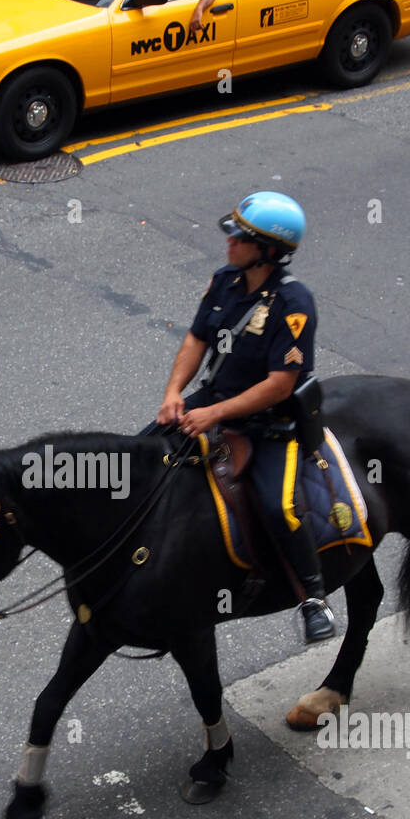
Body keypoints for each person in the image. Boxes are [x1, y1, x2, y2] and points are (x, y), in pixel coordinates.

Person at [155, 191, 335, 643]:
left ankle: (313, 599)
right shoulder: (226, 281)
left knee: (281, 507)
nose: (229, 242)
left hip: (270, 426)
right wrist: (174, 393)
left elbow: (280, 383)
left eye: (240, 238)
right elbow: (197, 339)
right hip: (211, 400)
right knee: (141, 459)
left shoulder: (294, 305)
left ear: (269, 251)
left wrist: (213, 413)